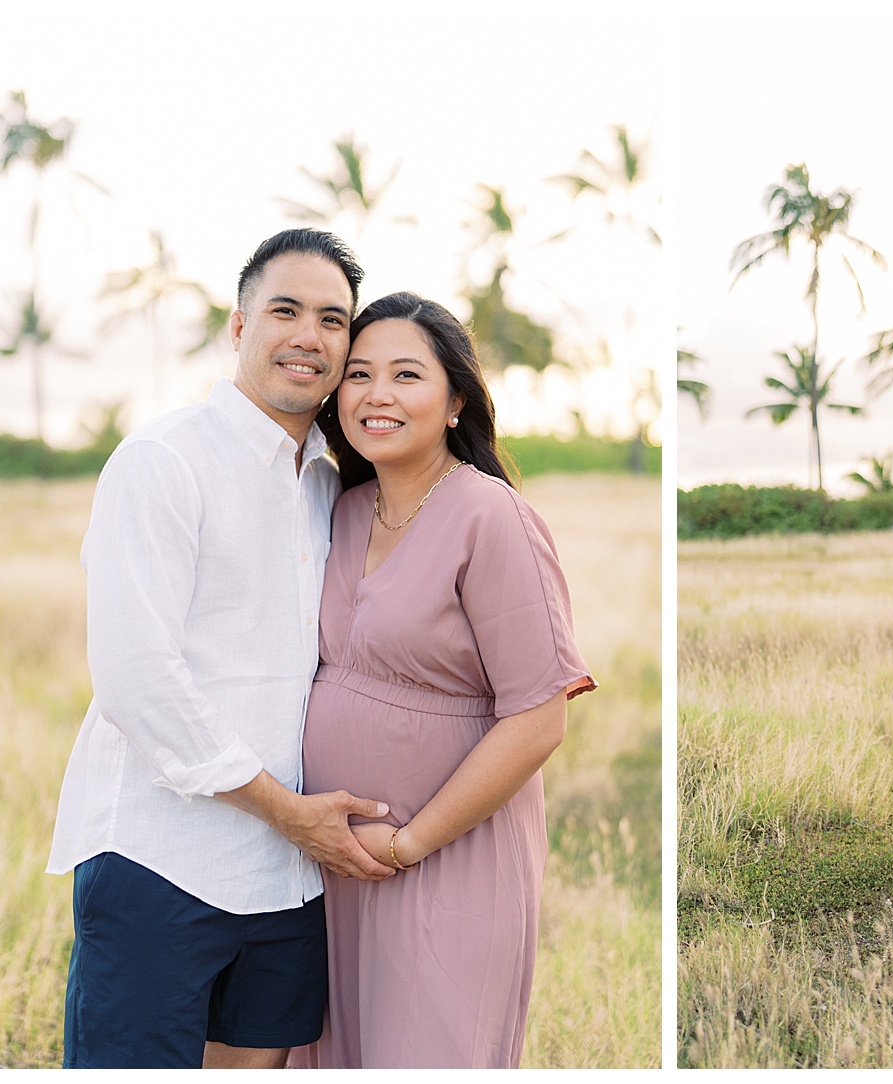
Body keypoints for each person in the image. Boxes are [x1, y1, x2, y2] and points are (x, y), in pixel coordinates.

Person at [46, 229, 400, 1069]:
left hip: (286, 882)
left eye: (332, 319)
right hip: (159, 860)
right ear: (239, 328)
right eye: (286, 310)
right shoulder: (163, 462)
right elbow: (137, 679)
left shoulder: (332, 481)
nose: (309, 337)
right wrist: (289, 812)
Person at [286, 292, 595, 1069]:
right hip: (337, 863)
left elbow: (538, 717)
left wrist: (408, 843)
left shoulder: (491, 517)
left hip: (447, 853)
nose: (377, 394)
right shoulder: (342, 508)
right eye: (358, 374)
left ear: (457, 399)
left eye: (406, 375)